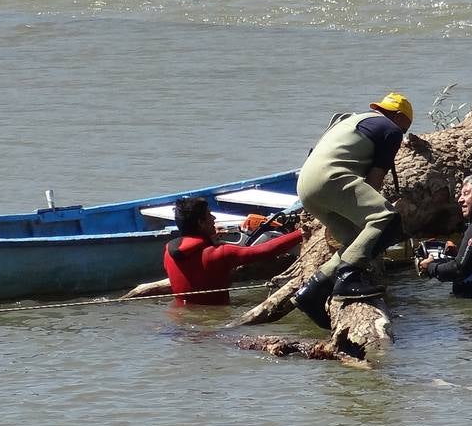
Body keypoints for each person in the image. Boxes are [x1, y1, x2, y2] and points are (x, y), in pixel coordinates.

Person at [291, 92, 414, 328]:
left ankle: (312, 292)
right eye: (405, 128)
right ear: (399, 117)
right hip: (330, 179)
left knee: (355, 241)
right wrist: (378, 211)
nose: (403, 133)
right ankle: (348, 278)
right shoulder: (391, 129)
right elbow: (374, 181)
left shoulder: (352, 121)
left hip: (305, 187)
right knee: (388, 220)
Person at [163, 196, 304, 306]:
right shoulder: (220, 253)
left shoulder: (169, 251)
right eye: (209, 215)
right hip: (214, 321)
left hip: (179, 317)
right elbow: (265, 250)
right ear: (201, 222)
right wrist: (301, 232)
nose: (214, 218)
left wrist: (208, 238)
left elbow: (196, 269)